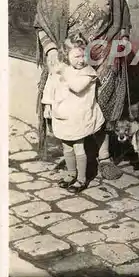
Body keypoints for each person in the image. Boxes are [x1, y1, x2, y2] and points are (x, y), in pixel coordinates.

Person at [34, 0, 131, 180]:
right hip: (69, 58)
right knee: (72, 105)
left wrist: (117, 48)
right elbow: (41, 24)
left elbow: (122, 20)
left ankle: (104, 158)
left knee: (102, 102)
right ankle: (73, 157)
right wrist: (52, 50)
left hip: (102, 54)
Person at [42, 33, 105, 192]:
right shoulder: (62, 70)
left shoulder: (88, 72)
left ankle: (82, 179)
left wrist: (63, 72)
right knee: (67, 147)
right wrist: (48, 105)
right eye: (76, 56)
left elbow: (77, 87)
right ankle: (71, 174)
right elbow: (50, 86)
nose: (81, 59)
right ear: (66, 55)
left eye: (84, 55)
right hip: (63, 115)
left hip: (79, 116)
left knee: (78, 147)